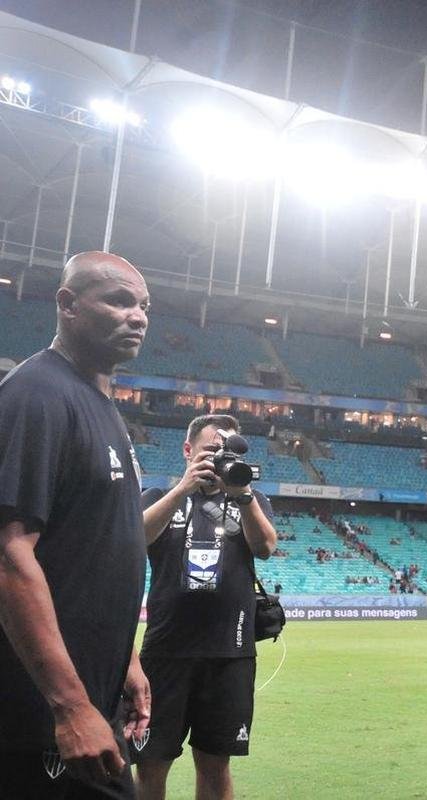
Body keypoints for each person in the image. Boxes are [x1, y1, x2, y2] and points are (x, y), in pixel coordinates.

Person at [0, 252, 151, 799]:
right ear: (67, 304)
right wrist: (68, 705)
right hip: (45, 720)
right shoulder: (38, 395)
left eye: (143, 305)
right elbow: (10, 553)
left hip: (93, 698)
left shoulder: (99, 402)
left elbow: (86, 555)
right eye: (118, 300)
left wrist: (125, 658)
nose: (137, 316)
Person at [133, 415, 278, 800]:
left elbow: (265, 547)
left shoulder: (252, 499)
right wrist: (183, 488)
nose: (218, 459)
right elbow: (136, 537)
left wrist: (243, 494)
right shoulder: (155, 496)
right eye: (211, 450)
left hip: (229, 654)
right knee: (151, 762)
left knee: (216, 764)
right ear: (187, 451)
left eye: (225, 452)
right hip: (166, 653)